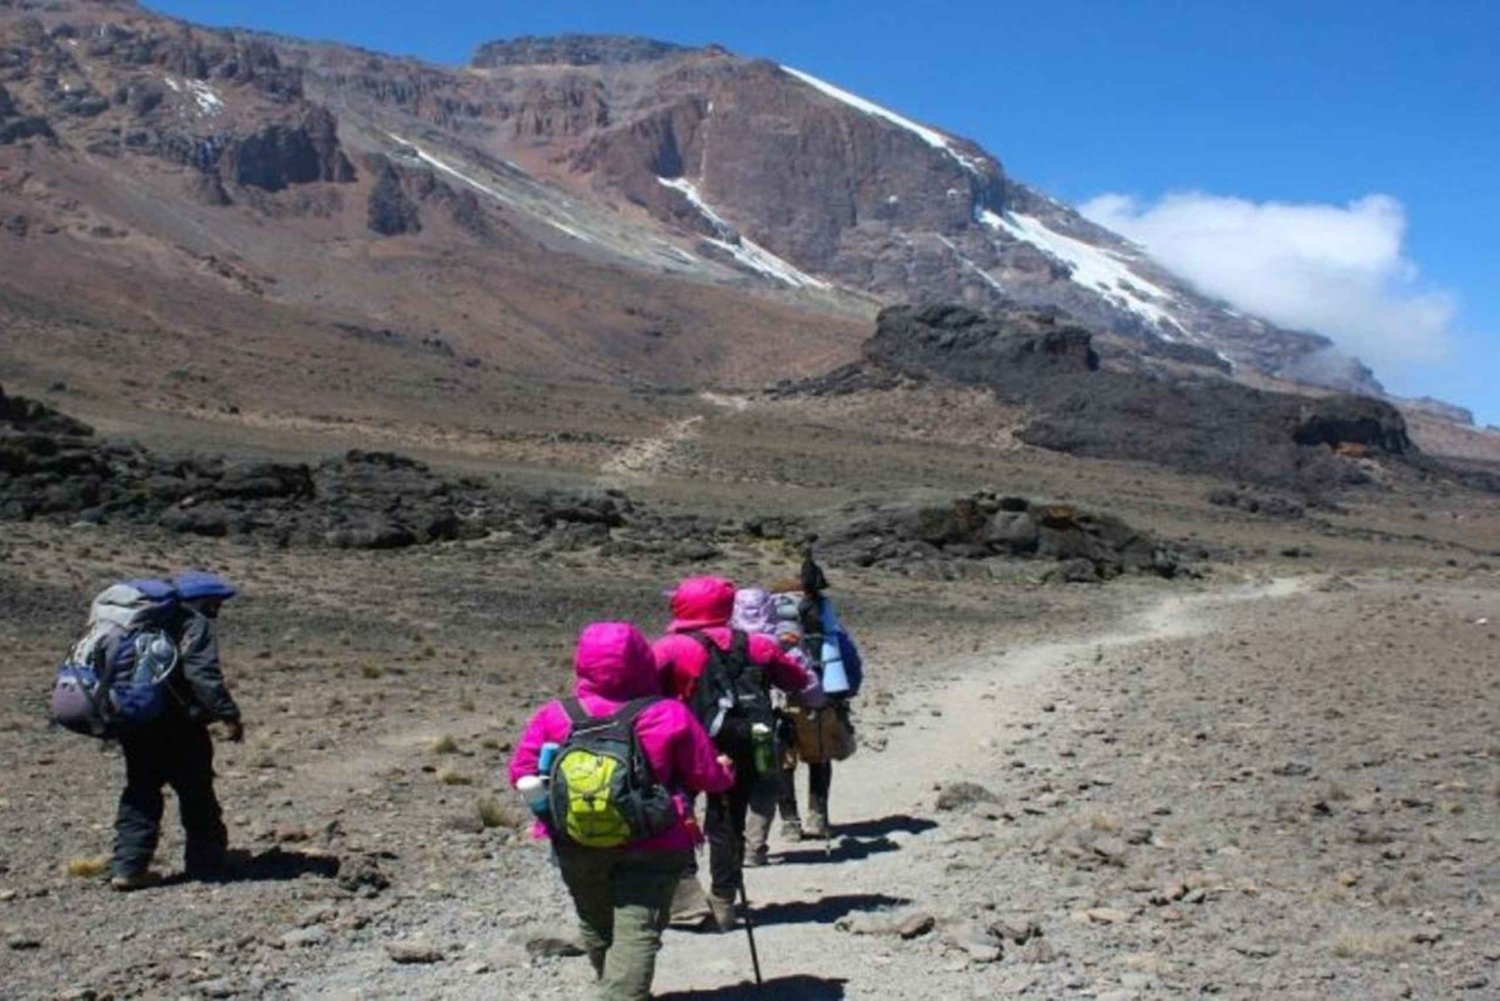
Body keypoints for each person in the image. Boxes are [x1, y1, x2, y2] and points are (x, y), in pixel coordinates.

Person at [509, 622, 735, 1001]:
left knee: (596, 923)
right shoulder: (668, 713)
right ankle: (622, 994)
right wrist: (726, 770)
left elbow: (522, 771)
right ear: (644, 661)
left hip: (575, 837)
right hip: (655, 837)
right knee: (638, 928)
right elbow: (708, 777)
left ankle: (616, 988)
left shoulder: (556, 715)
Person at [652, 576, 822, 929]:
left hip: (682, 742)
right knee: (727, 820)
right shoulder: (757, 645)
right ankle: (724, 901)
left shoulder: (669, 648)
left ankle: (685, 892)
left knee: (673, 811)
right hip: (740, 740)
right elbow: (794, 681)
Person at [111, 570, 245, 891]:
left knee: (141, 789)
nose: (218, 610)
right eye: (215, 603)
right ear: (201, 601)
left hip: (135, 721)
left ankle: (129, 867)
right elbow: (203, 673)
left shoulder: (139, 623)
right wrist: (228, 713)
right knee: (196, 790)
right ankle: (207, 863)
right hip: (179, 724)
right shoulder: (191, 623)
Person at [772, 556, 863, 841]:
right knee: (819, 756)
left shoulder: (766, 617)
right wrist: (847, 691)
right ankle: (818, 816)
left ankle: (789, 822)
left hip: (776, 698)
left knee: (783, 761)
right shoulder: (823, 617)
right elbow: (847, 658)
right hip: (820, 694)